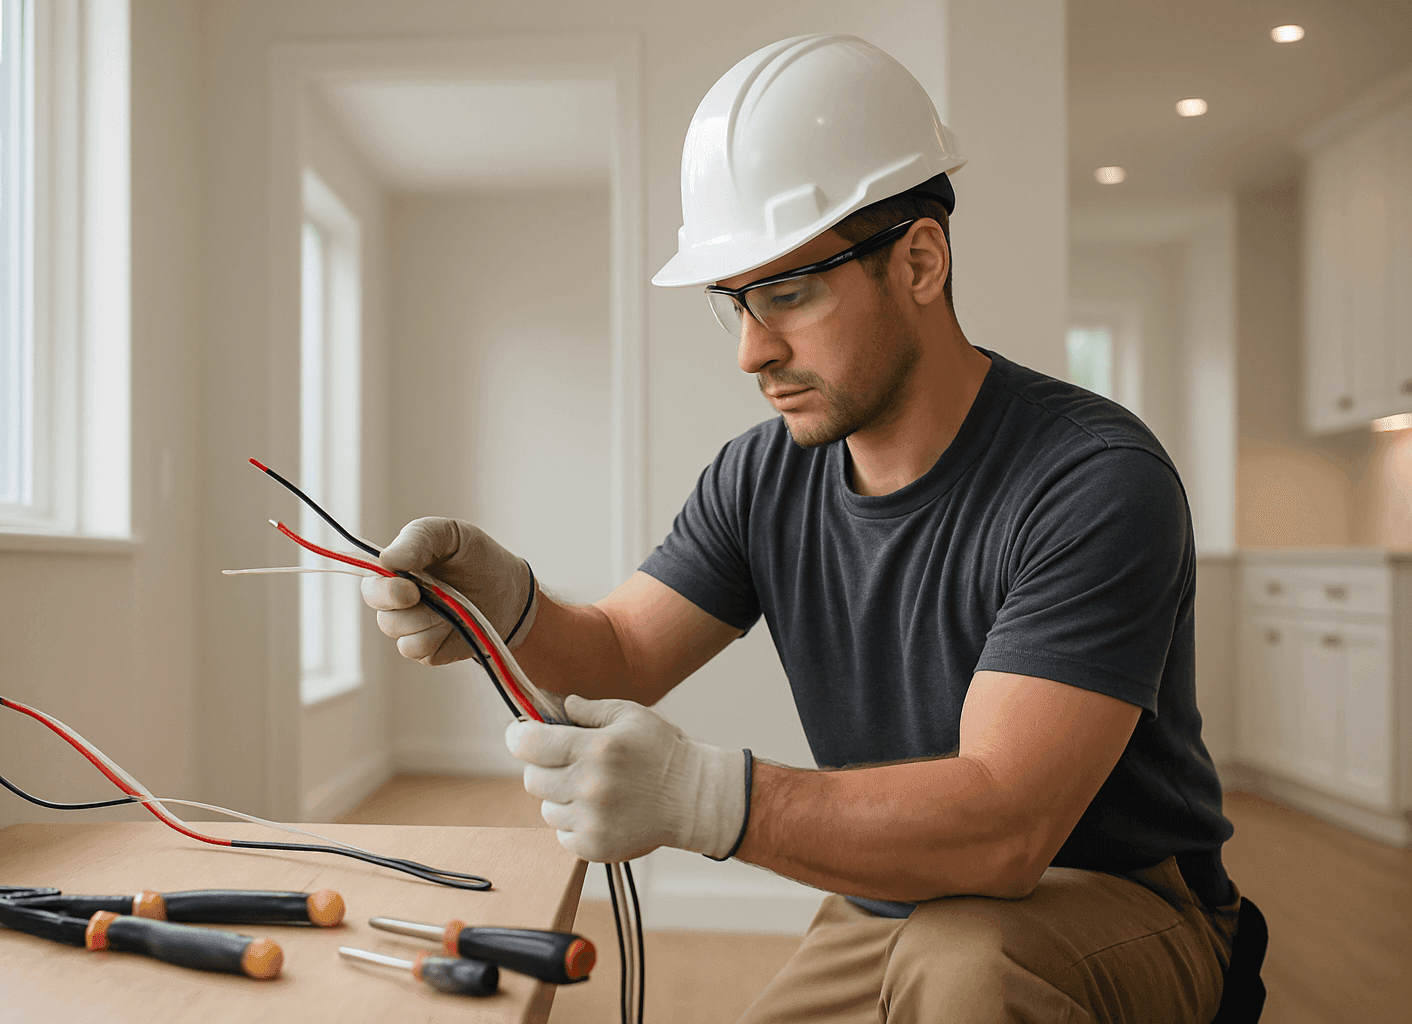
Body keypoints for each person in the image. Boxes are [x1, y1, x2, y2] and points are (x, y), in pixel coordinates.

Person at [361, 34, 1242, 1024]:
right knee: (943, 948)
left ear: (919, 259)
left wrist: (708, 798)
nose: (751, 350)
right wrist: (508, 607)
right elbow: (615, 656)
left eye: (786, 293)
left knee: (967, 967)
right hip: (893, 897)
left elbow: (1004, 827)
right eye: (732, 302)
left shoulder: (1092, 480)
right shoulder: (761, 476)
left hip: (1112, 896)